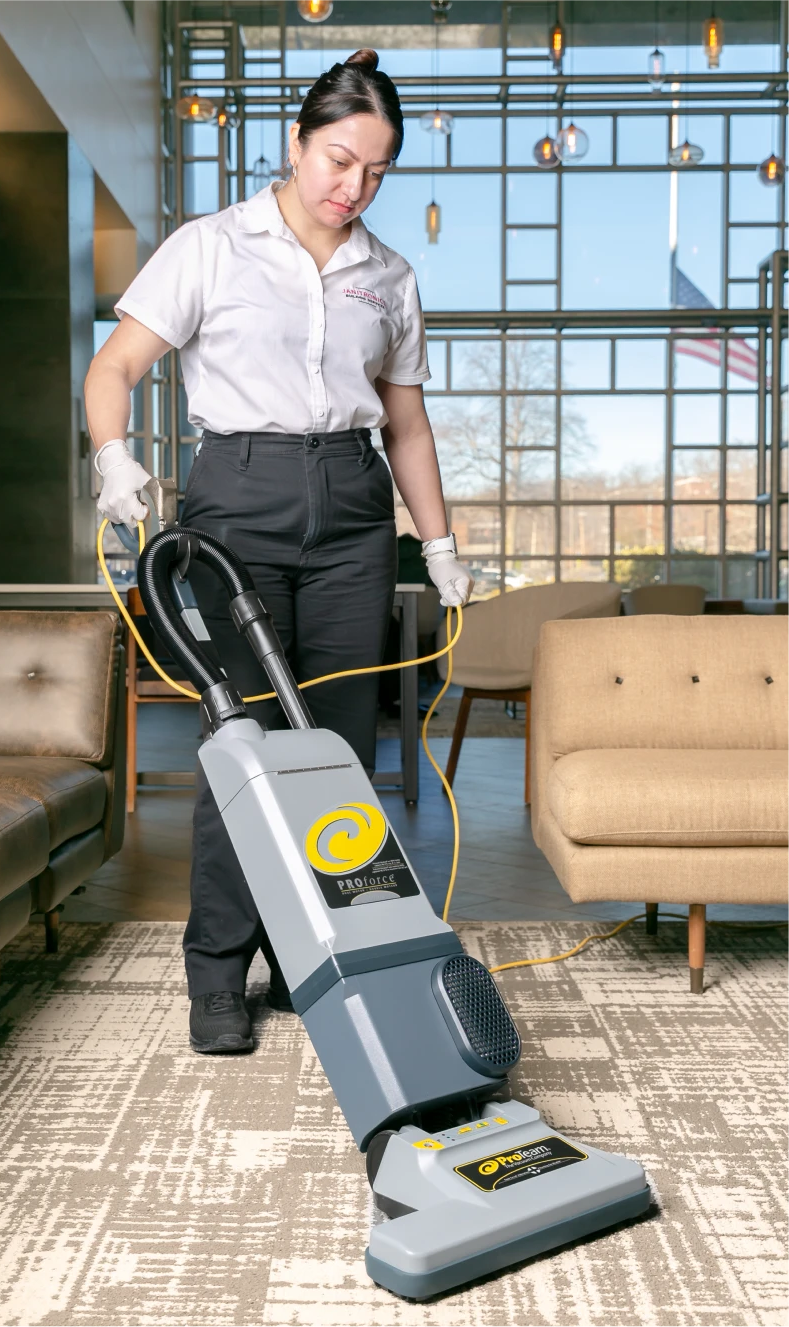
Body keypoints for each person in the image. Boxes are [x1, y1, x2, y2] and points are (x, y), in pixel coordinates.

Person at [84, 48, 474, 1056]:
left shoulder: (388, 275)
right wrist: (113, 455)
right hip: (238, 505)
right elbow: (115, 364)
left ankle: (318, 956)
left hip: (351, 512)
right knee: (245, 747)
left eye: (376, 173)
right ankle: (217, 972)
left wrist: (437, 542)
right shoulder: (212, 246)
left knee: (337, 754)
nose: (353, 188)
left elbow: (409, 428)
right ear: (297, 143)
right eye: (339, 160)